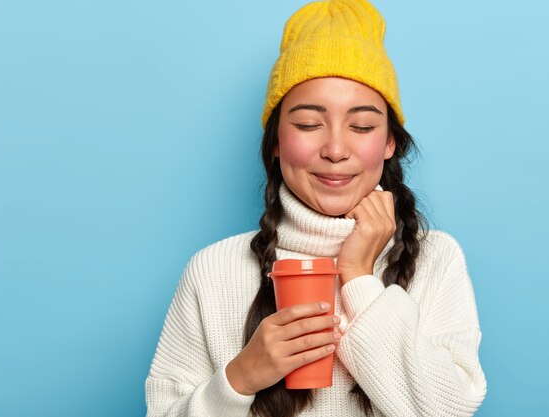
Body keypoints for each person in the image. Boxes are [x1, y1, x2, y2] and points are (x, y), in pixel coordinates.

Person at [145, 0, 487, 416]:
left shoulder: (435, 259)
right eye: (308, 124)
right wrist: (239, 379)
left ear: (390, 142)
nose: (336, 150)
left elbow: (446, 411)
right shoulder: (213, 270)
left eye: (361, 126)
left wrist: (359, 277)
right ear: (274, 142)